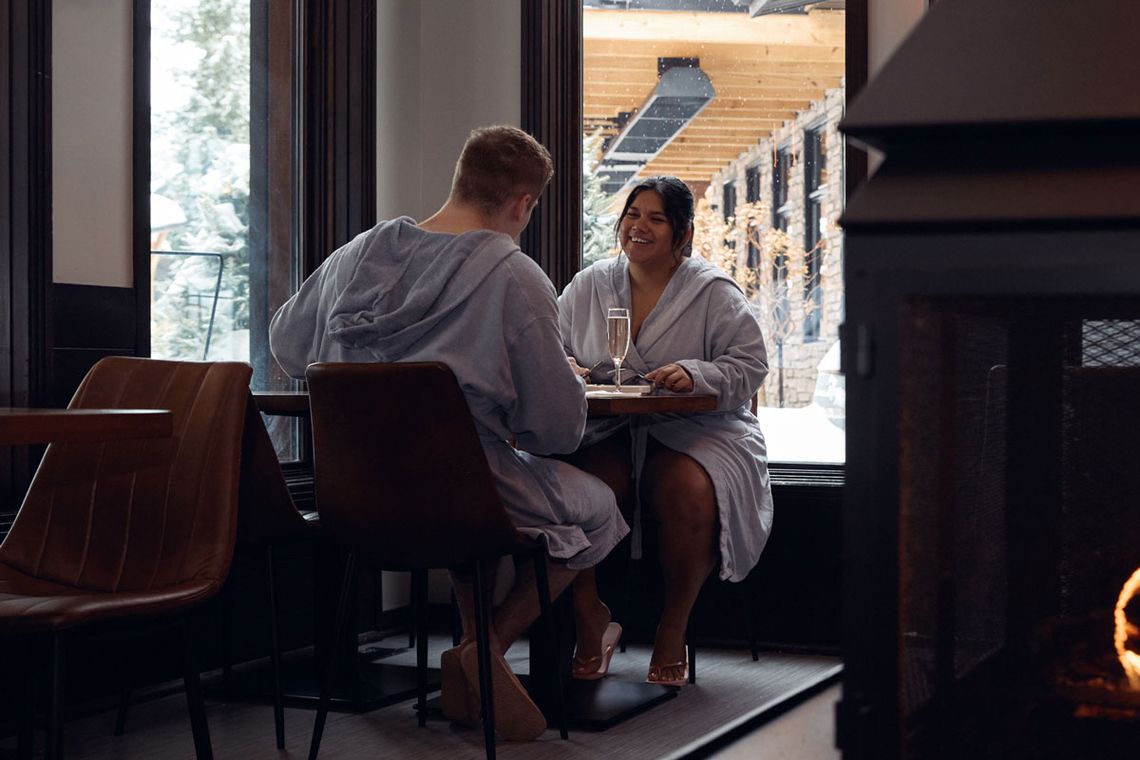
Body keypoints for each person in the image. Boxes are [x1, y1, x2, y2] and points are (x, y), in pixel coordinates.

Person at [269, 125, 628, 740]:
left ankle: (475, 649)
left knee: (494, 512)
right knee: (597, 510)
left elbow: (286, 348)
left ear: (460, 180)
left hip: (351, 500)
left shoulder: (354, 257)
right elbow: (556, 430)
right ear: (522, 205)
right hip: (462, 497)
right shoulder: (514, 276)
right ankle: (482, 650)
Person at [558, 175, 772, 686]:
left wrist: (696, 373)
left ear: (681, 232)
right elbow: (551, 345)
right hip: (608, 429)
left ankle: (673, 626)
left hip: (696, 425)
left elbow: (751, 364)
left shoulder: (712, 291)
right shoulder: (590, 285)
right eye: (633, 214)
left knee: (688, 490)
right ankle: (589, 615)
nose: (639, 227)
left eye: (656, 218)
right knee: (572, 491)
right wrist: (566, 364)